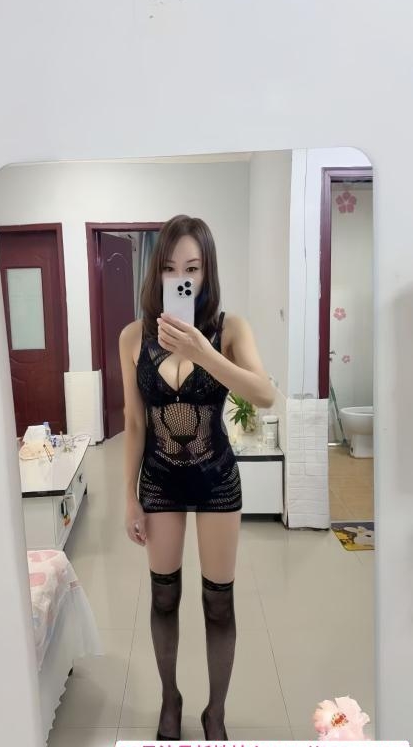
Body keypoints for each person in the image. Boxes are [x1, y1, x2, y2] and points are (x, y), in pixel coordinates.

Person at [119, 214, 275, 740]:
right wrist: (128, 498)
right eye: (169, 268)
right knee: (163, 596)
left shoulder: (230, 330)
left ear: (207, 272)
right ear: (155, 273)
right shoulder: (133, 337)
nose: (180, 278)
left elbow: (264, 394)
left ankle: (216, 712)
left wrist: (202, 352)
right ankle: (170, 699)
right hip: (159, 480)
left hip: (216, 480)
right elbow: (135, 421)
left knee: (218, 601)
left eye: (192, 268)